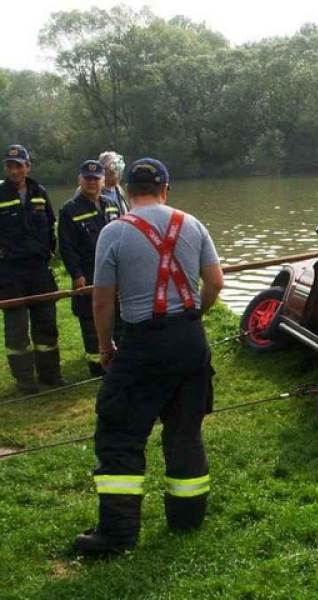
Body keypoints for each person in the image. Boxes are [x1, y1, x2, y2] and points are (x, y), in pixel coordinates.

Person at [75, 158, 224, 555]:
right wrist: (196, 316)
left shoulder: (113, 232)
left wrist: (106, 346)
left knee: (121, 433)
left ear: (125, 190)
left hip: (143, 342)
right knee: (185, 432)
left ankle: (118, 534)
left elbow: (103, 301)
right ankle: (187, 519)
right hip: (190, 342)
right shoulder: (192, 224)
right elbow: (215, 282)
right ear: (166, 188)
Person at [0, 144, 65, 393]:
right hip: (10, 272)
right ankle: (25, 380)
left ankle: (51, 375)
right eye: (10, 166)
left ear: (28, 166)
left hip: (39, 269)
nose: (15, 170)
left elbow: (51, 225)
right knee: (16, 330)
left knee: (46, 323)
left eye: (19, 165)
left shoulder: (40, 192)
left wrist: (48, 251)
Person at [58, 159, 125, 376]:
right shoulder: (69, 210)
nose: (92, 183)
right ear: (80, 180)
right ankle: (97, 368)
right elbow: (66, 248)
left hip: (115, 274)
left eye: (96, 179)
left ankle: (121, 362)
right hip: (88, 275)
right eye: (87, 179)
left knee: (119, 319)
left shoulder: (112, 204)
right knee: (91, 323)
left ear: (103, 181)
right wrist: (76, 275)